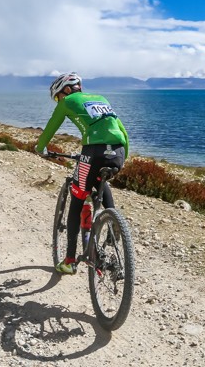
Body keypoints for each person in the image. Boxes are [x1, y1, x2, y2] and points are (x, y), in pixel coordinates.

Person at [35, 72, 129, 275]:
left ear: (66, 90)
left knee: (77, 200)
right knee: (101, 181)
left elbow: (52, 125)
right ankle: (114, 220)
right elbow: (122, 130)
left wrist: (40, 147)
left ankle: (69, 261)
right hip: (118, 151)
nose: (59, 101)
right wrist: (123, 158)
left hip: (93, 151)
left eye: (58, 97)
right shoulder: (101, 99)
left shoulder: (67, 100)